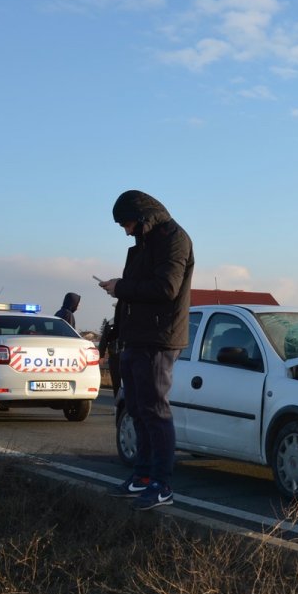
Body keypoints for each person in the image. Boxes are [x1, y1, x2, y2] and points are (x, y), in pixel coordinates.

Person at [99, 190, 194, 511]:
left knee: (155, 411)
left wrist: (120, 287)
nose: (126, 232)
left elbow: (167, 288)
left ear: (143, 218)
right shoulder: (148, 242)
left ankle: (161, 484)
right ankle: (141, 476)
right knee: (138, 409)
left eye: (127, 224)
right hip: (136, 337)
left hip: (159, 338)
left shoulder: (174, 240)